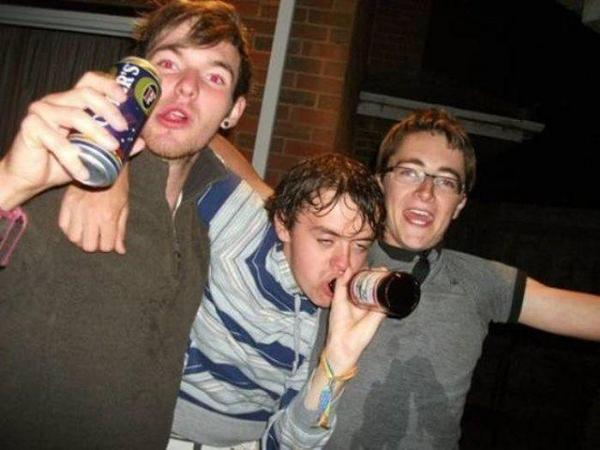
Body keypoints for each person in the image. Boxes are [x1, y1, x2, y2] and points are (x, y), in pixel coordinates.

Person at [0, 1, 252, 448]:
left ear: (234, 111)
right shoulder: (61, 182)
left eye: (215, 77)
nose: (187, 87)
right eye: (168, 63)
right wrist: (10, 183)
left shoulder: (201, 229)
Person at [319, 108, 600, 449]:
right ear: (381, 184)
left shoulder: (478, 281)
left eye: (446, 181)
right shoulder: (332, 258)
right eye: (409, 172)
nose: (426, 191)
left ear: (459, 204)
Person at [169, 152, 386, 449]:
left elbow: (291, 443)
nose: (344, 265)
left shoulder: (334, 319)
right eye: (326, 240)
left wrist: (335, 367)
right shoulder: (244, 224)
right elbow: (189, 141)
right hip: (158, 422)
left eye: (360, 245)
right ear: (283, 224)